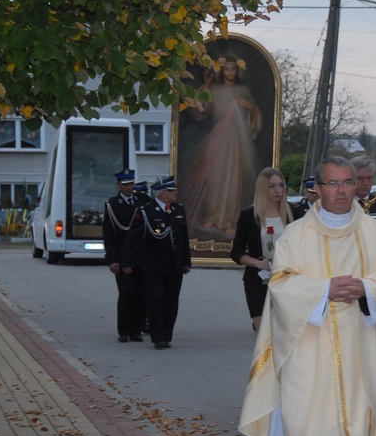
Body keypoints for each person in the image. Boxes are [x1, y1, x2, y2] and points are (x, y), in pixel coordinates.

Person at [239, 157, 376, 436]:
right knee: (307, 426)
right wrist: (323, 289)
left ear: (355, 185)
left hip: (363, 356)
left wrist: (368, 289)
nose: (341, 190)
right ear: (317, 188)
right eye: (332, 183)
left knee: (362, 427)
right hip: (308, 354)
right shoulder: (296, 235)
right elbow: (280, 284)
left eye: (346, 182)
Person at [182, 57, 263, 236]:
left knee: (234, 179)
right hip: (218, 138)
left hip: (237, 140)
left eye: (233, 68)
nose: (230, 72)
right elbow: (200, 110)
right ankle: (213, 216)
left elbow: (255, 116)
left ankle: (231, 220)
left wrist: (251, 107)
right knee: (215, 177)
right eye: (226, 69)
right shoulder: (215, 89)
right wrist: (206, 85)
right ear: (221, 71)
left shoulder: (243, 90)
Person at [122, 175, 191, 350]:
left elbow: (183, 238)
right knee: (155, 299)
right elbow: (134, 239)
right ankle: (157, 337)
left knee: (171, 301)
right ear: (163, 194)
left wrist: (186, 261)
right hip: (154, 265)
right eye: (172, 191)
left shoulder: (178, 210)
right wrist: (127, 262)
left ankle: (166, 335)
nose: (176, 193)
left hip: (174, 264)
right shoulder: (146, 211)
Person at [230, 167, 294, 332]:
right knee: (264, 334)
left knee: (284, 333)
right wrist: (256, 263)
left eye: (280, 185)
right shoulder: (248, 216)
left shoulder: (294, 212)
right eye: (271, 186)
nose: (277, 190)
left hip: (288, 278)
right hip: (257, 279)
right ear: (262, 188)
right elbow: (236, 252)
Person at [103, 168, 149, 343]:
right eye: (126, 184)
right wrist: (113, 259)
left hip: (141, 255)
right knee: (126, 293)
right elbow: (109, 235)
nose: (130, 187)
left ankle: (136, 330)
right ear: (119, 185)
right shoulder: (112, 204)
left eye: (131, 184)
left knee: (141, 293)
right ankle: (123, 330)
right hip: (122, 257)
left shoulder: (143, 200)